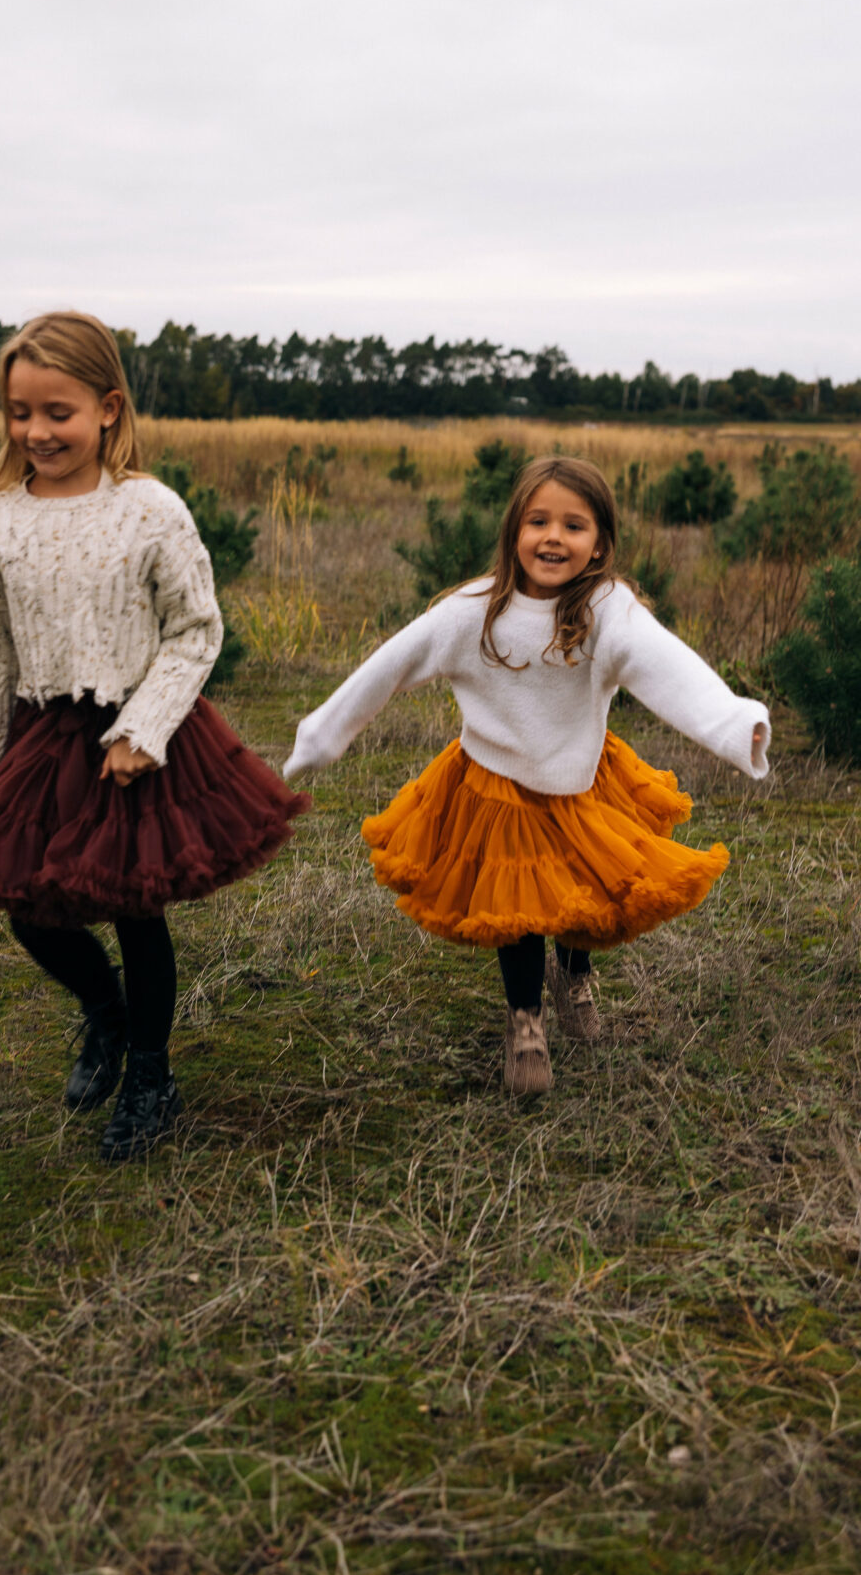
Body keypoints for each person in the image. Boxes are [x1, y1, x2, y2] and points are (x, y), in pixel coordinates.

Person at [0, 311, 308, 1160]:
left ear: (107, 408)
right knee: (31, 907)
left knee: (135, 908)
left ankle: (151, 1076)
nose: (37, 431)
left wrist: (144, 729)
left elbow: (197, 630)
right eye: (20, 412)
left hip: (140, 735)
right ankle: (106, 1014)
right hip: (43, 733)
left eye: (57, 412)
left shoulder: (149, 510)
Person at [282, 455, 770, 1095]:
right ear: (515, 530)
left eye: (574, 525)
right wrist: (321, 736)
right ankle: (526, 1022)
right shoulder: (472, 612)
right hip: (495, 784)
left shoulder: (606, 611)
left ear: (598, 545)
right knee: (517, 910)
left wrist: (735, 723)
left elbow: (667, 667)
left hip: (578, 776)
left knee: (581, 893)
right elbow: (390, 666)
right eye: (538, 520)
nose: (553, 537)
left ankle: (572, 978)